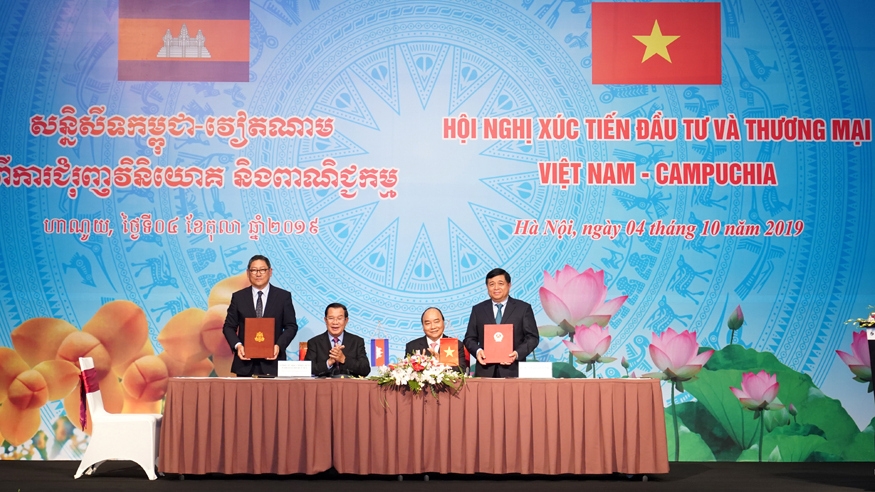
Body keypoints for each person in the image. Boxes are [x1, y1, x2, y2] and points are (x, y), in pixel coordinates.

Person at [222, 254, 299, 376]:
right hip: (245, 363)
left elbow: (291, 326)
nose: (258, 274)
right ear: (248, 273)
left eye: (262, 270)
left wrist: (279, 346)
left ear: (270, 271)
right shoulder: (239, 297)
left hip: (273, 363)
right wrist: (238, 346)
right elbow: (228, 327)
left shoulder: (283, 297)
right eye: (254, 270)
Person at [463, 268, 539, 377]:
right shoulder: (478, 310)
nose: (496, 288)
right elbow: (469, 338)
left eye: (500, 283)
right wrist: (478, 351)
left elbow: (532, 337)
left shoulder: (523, 308)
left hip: (514, 370)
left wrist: (517, 354)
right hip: (485, 371)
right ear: (487, 287)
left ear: (509, 285)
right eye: (491, 284)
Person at [305, 302, 370, 377]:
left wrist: (344, 359)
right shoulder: (314, 342)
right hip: (324, 386)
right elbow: (308, 369)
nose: (335, 322)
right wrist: (329, 362)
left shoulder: (357, 341)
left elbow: (365, 369)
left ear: (346, 320)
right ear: (325, 320)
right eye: (331, 318)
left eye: (339, 318)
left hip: (350, 387)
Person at [405, 307, 469, 373]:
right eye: (427, 323)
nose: (433, 327)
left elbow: (462, 370)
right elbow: (407, 371)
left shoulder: (455, 344)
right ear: (423, 326)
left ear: (443, 323)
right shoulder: (412, 346)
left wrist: (442, 364)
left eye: (436, 322)